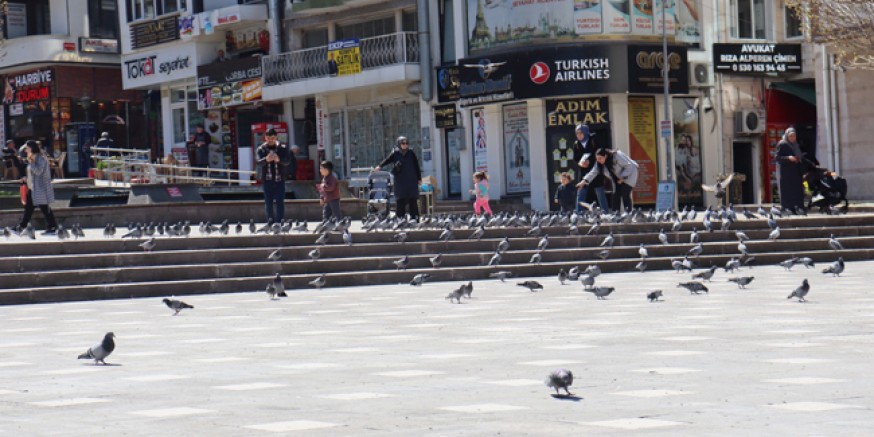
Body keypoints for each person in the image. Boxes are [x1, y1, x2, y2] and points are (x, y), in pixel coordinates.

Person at [376, 136, 422, 220]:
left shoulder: (411, 153)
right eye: (403, 143)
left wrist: (419, 178)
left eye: (406, 143)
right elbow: (387, 160)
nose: (405, 145)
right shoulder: (395, 153)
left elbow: (416, 166)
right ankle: (400, 219)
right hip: (400, 181)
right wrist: (380, 166)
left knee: (413, 199)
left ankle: (414, 219)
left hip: (411, 180)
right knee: (400, 200)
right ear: (399, 144)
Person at [580, 148, 639, 213]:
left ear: (605, 156)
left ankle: (628, 213)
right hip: (617, 178)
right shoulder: (599, 164)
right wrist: (584, 181)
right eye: (597, 159)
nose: (598, 160)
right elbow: (593, 172)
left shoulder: (617, 155)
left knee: (625, 193)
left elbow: (629, 165)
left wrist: (623, 177)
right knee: (615, 195)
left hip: (630, 174)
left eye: (600, 158)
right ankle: (615, 214)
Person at [18, 140, 58, 234]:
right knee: (29, 208)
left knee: (43, 207)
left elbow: (38, 172)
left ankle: (52, 226)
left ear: (32, 148)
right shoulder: (33, 158)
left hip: (40, 188)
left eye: (27, 148)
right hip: (33, 187)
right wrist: (25, 178)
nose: (25, 150)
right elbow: (32, 173)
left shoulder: (41, 158)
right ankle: (22, 226)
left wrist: (31, 162)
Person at [256, 128, 293, 223]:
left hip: (279, 180)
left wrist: (279, 160)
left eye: (272, 138)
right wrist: (266, 159)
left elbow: (288, 161)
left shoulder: (282, 148)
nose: (270, 140)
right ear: (265, 138)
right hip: (267, 180)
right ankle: (270, 222)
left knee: (280, 202)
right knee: (268, 203)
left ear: (276, 137)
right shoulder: (261, 149)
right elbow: (258, 162)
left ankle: (279, 222)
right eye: (268, 138)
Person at [572, 124, 609, 212]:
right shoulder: (576, 144)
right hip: (583, 171)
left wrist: (590, 161)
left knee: (599, 190)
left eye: (581, 133)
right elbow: (576, 158)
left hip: (595, 169)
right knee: (581, 191)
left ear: (585, 133)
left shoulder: (593, 140)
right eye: (577, 133)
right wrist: (580, 163)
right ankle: (579, 213)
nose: (579, 135)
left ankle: (605, 212)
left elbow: (600, 153)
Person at [776, 127, 807, 212]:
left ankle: (799, 208)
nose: (792, 138)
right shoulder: (782, 144)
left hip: (796, 173)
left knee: (797, 191)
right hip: (787, 173)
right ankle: (788, 209)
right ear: (787, 136)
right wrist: (788, 158)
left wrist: (799, 159)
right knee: (787, 192)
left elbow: (800, 156)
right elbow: (777, 158)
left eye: (794, 136)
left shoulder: (796, 145)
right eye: (790, 136)